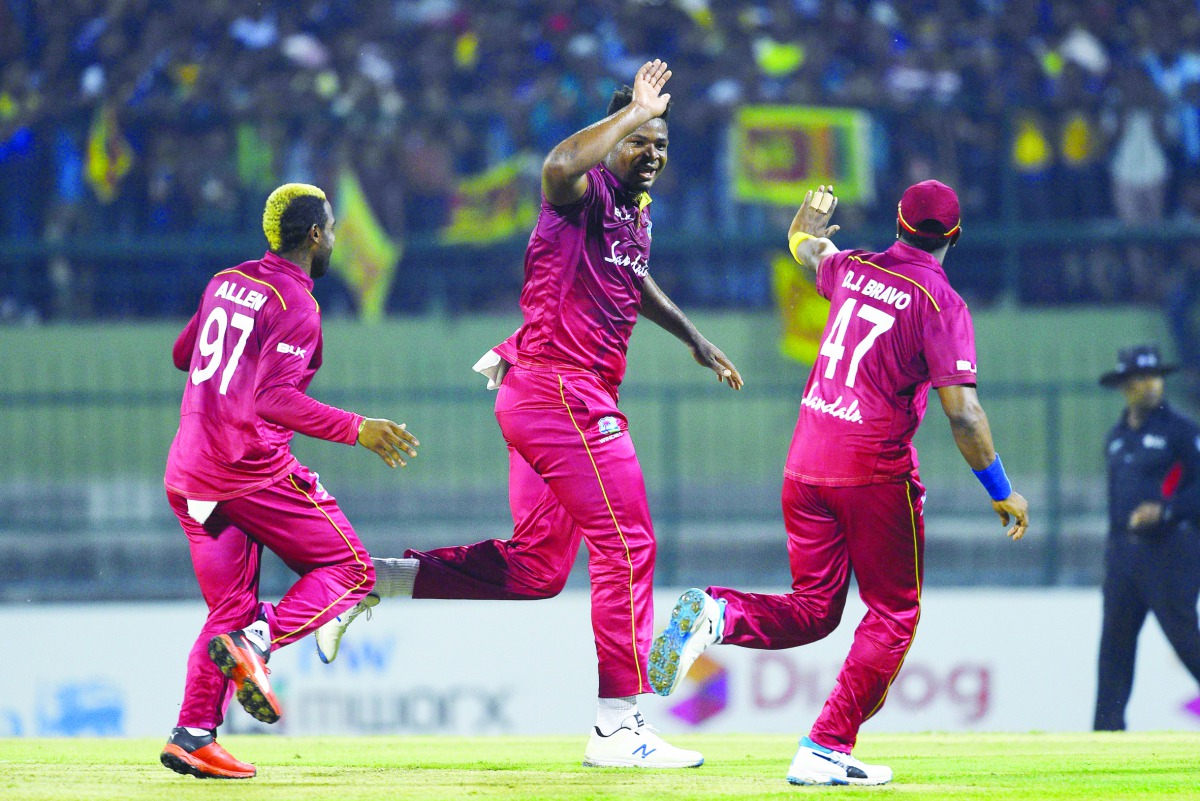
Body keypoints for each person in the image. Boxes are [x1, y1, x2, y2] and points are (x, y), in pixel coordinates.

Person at [316, 60, 742, 768]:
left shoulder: (635, 212)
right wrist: (631, 114)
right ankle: (617, 729)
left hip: (547, 398)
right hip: (561, 394)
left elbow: (634, 278)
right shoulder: (579, 191)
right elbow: (557, 161)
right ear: (614, 142)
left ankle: (374, 580)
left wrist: (694, 338)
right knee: (629, 544)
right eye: (641, 141)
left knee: (540, 567)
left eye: (661, 144)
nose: (653, 154)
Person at [648, 182, 1030, 786]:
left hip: (805, 460)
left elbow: (806, 247)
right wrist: (1000, 487)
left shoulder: (852, 267)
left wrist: (805, 218)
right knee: (895, 612)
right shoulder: (941, 302)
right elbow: (963, 413)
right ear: (954, 236)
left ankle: (716, 614)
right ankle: (826, 747)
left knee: (816, 610)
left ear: (898, 222)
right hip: (872, 469)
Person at [159, 183, 420, 779]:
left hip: (188, 472)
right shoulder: (297, 305)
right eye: (331, 228)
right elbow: (274, 399)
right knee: (351, 569)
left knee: (228, 606)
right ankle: (260, 641)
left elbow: (183, 354)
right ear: (314, 236)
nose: (334, 237)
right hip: (246, 469)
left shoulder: (226, 280)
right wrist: (359, 428)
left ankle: (193, 735)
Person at [1094, 344, 1200, 731]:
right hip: (1123, 555)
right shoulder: (1117, 438)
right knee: (1114, 650)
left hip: (1170, 551)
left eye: (1155, 377)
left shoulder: (1183, 433)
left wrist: (1166, 511)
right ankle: (1105, 735)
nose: (1151, 385)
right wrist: (1111, 555)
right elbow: (1115, 502)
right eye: (1141, 378)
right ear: (1124, 385)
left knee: (1186, 640)